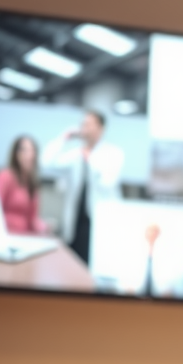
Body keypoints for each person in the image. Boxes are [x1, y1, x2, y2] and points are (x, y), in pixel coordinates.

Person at [42, 110, 124, 264]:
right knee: (73, 265)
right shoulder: (76, 155)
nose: (83, 128)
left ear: (101, 128)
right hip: (76, 222)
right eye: (82, 124)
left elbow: (107, 182)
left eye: (88, 124)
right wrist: (63, 138)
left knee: (97, 266)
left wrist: (89, 158)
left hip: (100, 223)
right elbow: (47, 162)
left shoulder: (113, 153)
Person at [0, 135, 49, 234]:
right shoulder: (5, 176)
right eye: (25, 151)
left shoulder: (32, 183)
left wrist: (44, 227)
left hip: (25, 236)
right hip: (6, 234)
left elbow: (32, 219)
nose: (30, 155)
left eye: (33, 151)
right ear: (16, 154)